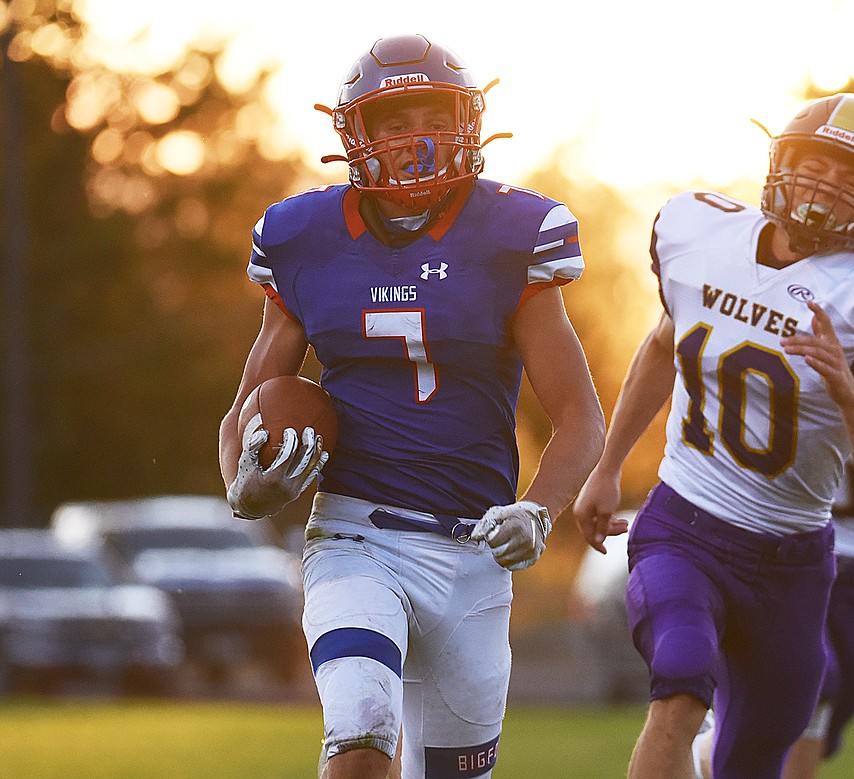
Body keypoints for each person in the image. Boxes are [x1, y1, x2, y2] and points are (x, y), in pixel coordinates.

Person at [217, 35, 604, 779]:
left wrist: (538, 509)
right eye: (394, 121)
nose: (415, 137)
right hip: (356, 536)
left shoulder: (512, 231)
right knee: (361, 729)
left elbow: (581, 416)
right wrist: (243, 486)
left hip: (476, 551)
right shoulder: (305, 237)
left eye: (433, 114)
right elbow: (243, 411)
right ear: (357, 134)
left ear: (467, 119)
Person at [572, 92, 854, 779]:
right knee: (681, 684)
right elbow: (663, 345)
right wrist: (607, 465)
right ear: (781, 163)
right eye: (816, 166)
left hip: (793, 566)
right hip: (685, 525)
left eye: (851, 180)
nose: (827, 188)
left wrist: (847, 392)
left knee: (752, 758)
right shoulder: (703, 238)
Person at [692, 346, 854, 779]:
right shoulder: (778, 363)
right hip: (786, 556)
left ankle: (710, 754)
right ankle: (709, 752)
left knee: (822, 721)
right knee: (818, 688)